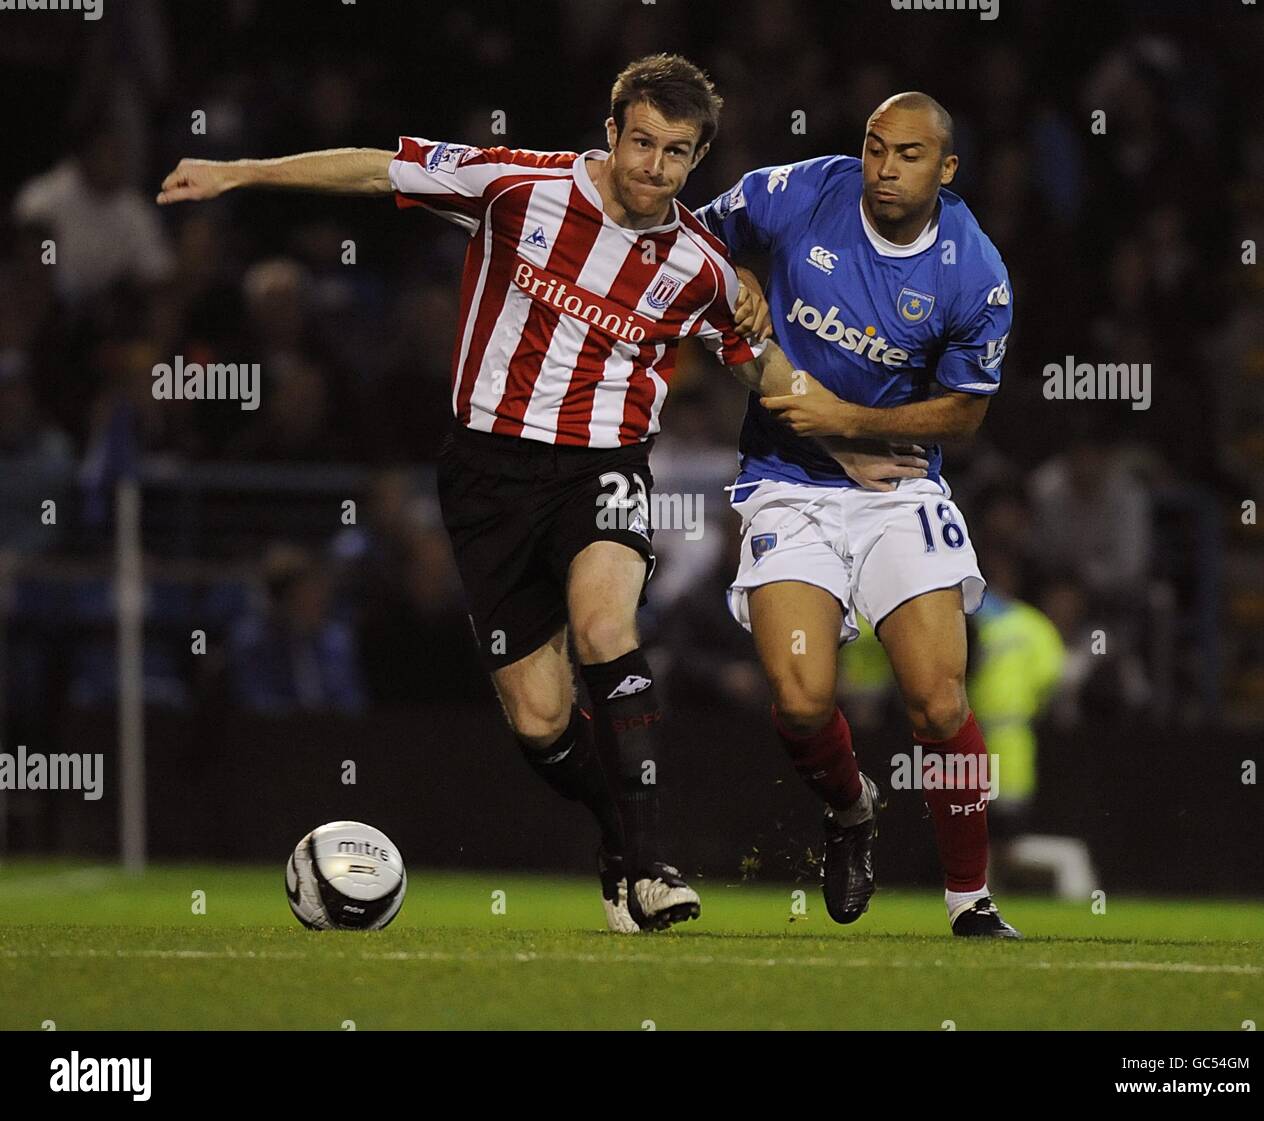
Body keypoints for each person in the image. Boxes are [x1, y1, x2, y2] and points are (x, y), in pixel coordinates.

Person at [157, 54, 923, 932]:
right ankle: (616, 838)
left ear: (696, 159)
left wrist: (851, 446)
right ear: (611, 133)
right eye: (642, 143)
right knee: (541, 719)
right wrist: (240, 172)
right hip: (487, 477)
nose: (654, 167)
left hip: (603, 465)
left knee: (606, 626)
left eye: (677, 153)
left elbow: (765, 372)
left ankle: (651, 867)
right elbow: (378, 166)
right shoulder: (516, 186)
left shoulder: (702, 267)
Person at [698, 92, 1022, 936]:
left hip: (897, 487)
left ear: (945, 170)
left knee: (938, 701)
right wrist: (734, 270)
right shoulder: (799, 191)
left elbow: (964, 411)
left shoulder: (974, 271)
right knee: (803, 702)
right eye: (876, 148)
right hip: (785, 483)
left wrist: (850, 420)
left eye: (909, 155)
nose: (884, 168)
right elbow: (687, 235)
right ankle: (851, 810)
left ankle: (970, 899)